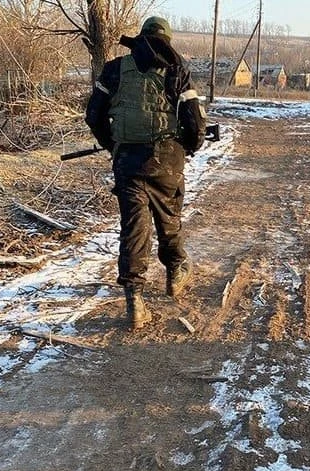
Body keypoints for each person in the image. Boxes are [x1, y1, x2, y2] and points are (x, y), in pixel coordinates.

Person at [85, 16, 206, 330]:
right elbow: (195, 124)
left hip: (128, 162)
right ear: (167, 41)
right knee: (169, 219)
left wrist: (113, 145)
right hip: (167, 160)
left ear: (140, 38)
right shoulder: (177, 70)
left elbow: (93, 115)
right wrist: (188, 148)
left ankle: (135, 301)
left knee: (134, 228)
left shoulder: (115, 69)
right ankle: (175, 272)